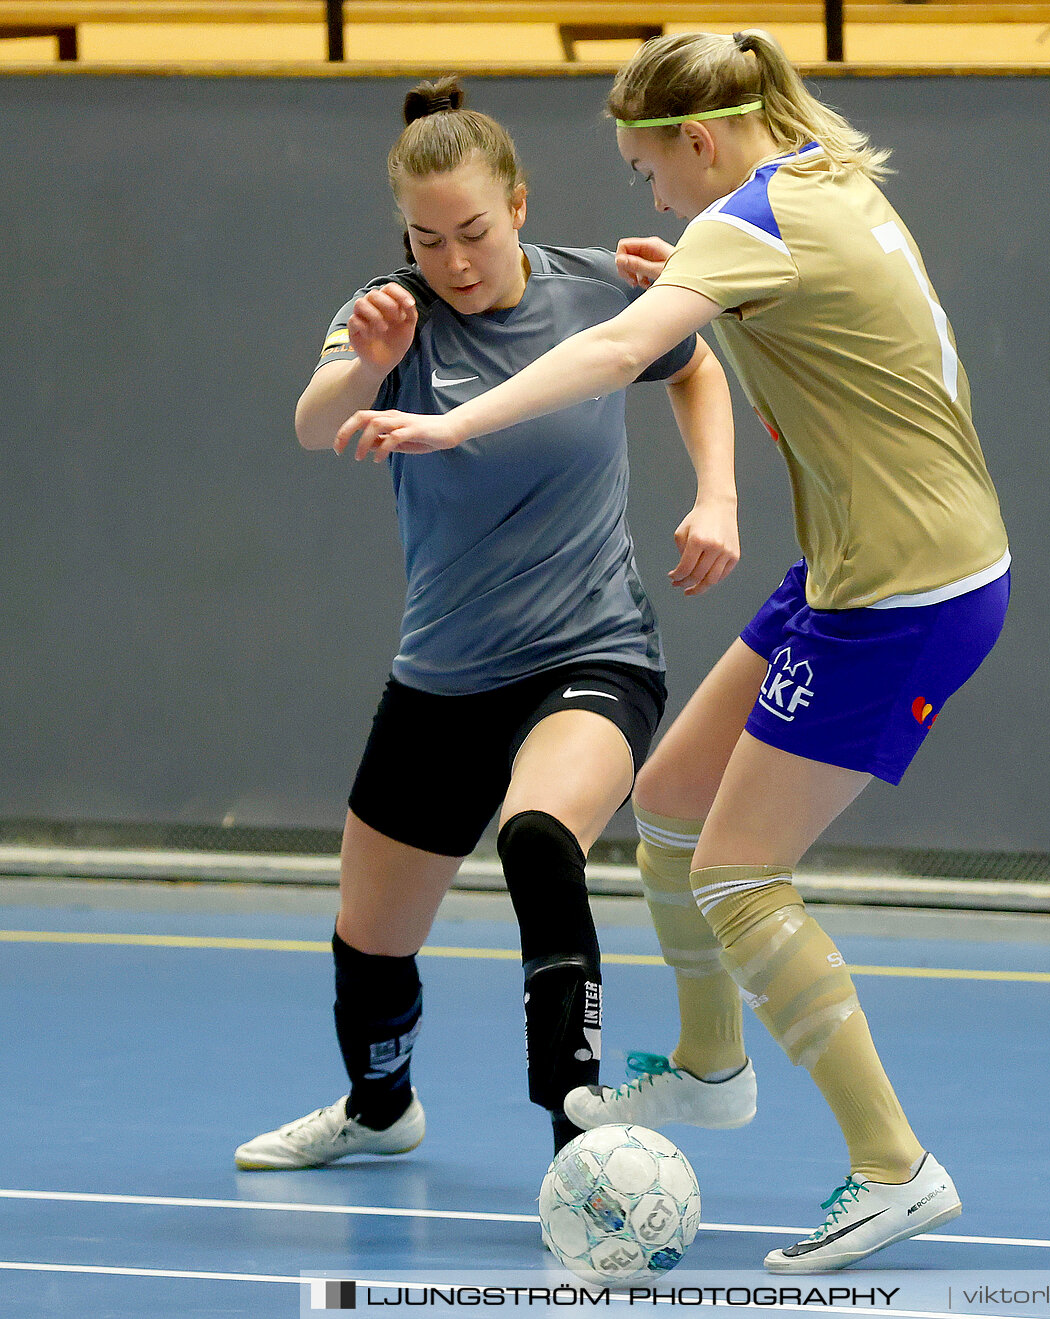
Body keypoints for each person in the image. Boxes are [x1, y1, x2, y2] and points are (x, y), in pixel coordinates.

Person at [337, 34, 1009, 1273]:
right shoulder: (824, 181)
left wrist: (452, 423)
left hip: (906, 596)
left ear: (700, 142)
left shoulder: (749, 221)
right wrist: (695, 283)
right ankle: (710, 1068)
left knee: (742, 873)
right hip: (855, 567)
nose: (649, 195)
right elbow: (797, 349)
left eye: (650, 168)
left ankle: (893, 1166)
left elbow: (607, 354)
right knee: (674, 802)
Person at [233, 75, 739, 1171]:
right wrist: (365, 362)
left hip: (591, 651)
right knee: (371, 941)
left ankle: (579, 1132)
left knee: (541, 838)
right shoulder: (388, 312)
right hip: (445, 674)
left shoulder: (601, 292)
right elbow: (317, 426)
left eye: (472, 231)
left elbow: (694, 365)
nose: (453, 261)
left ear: (518, 204)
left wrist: (717, 496)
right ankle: (380, 1109)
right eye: (426, 239)